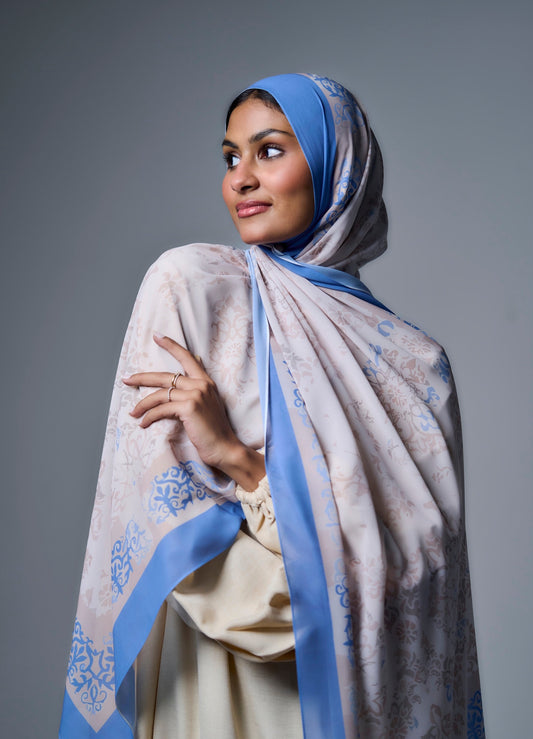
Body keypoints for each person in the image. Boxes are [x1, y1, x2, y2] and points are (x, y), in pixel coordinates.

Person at [59, 74, 484, 738]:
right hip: (222, 688)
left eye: (270, 150)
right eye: (231, 157)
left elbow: (419, 590)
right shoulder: (194, 290)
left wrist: (239, 461)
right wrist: (313, 590)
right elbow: (170, 540)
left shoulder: (416, 366)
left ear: (339, 170)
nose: (241, 178)